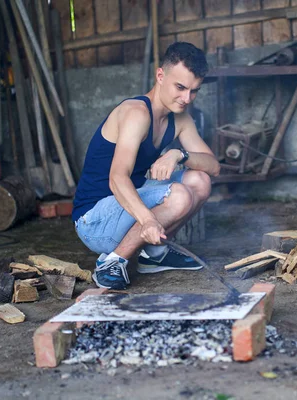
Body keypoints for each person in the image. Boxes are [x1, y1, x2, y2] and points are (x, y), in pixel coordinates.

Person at [72, 42, 220, 290]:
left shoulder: (180, 118)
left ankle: (154, 255)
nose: (186, 98)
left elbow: (213, 166)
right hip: (94, 221)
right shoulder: (136, 113)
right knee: (180, 195)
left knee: (201, 181)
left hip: (125, 211)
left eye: (194, 91)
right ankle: (113, 262)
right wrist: (148, 221)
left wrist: (178, 154)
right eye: (180, 87)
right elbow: (117, 178)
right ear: (160, 75)